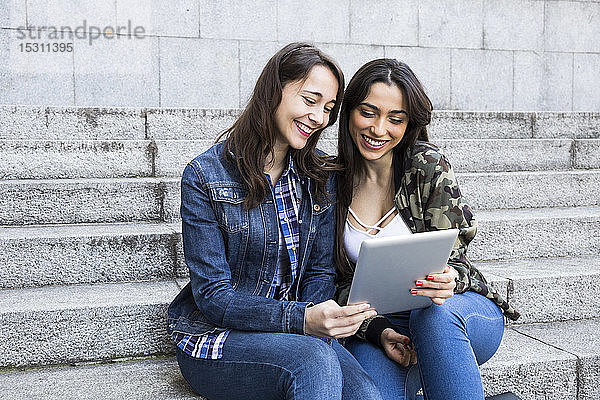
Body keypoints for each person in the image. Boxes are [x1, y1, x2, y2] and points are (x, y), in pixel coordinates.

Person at [167, 43, 383, 400]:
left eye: (328, 109)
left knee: (367, 395)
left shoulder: (318, 175)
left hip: (298, 335)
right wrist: (301, 320)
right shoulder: (205, 176)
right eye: (310, 100)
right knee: (313, 361)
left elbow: (319, 271)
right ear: (274, 91)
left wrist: (316, 319)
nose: (319, 118)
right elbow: (213, 297)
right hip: (218, 339)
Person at [334, 59, 520, 400]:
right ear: (349, 112)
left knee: (431, 319)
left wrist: (451, 278)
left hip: (455, 312)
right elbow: (333, 281)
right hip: (384, 324)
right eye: (368, 112)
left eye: (395, 118)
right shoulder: (330, 183)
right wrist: (376, 330)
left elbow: (457, 260)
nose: (378, 129)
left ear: (408, 123)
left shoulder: (425, 166)